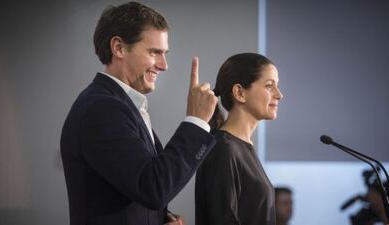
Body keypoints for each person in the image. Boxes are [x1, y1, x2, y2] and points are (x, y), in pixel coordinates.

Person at [60, 2, 218, 225]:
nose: (164, 65)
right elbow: (152, 188)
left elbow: (138, 188)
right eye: (155, 52)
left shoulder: (119, 105)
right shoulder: (102, 109)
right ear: (119, 48)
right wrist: (196, 121)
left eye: (164, 54)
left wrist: (163, 219)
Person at [195, 52, 284, 225]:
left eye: (277, 86)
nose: (279, 94)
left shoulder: (238, 147)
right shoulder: (223, 149)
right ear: (239, 93)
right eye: (269, 86)